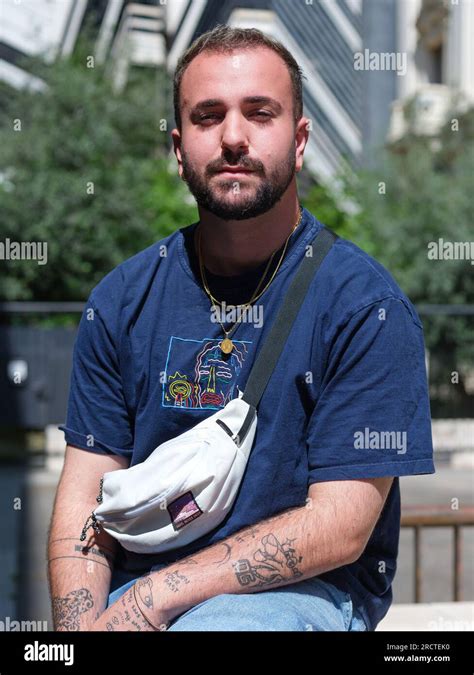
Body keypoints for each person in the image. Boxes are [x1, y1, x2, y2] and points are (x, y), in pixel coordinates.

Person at [48, 25, 434, 632]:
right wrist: (77, 633)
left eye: (260, 113)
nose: (233, 137)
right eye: (208, 117)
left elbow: (340, 527)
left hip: (296, 598)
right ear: (179, 149)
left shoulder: (365, 306)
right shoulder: (121, 299)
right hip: (134, 593)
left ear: (300, 140)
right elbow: (83, 496)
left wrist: (157, 600)